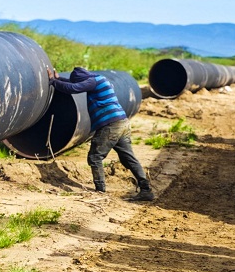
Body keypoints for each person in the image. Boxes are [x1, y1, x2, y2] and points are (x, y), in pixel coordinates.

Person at [48, 66, 155, 201]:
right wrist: (59, 79)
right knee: (128, 157)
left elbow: (74, 88)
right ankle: (146, 190)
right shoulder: (96, 79)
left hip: (110, 125)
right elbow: (74, 84)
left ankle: (100, 191)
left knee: (95, 157)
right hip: (122, 122)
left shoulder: (92, 82)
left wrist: (53, 81)